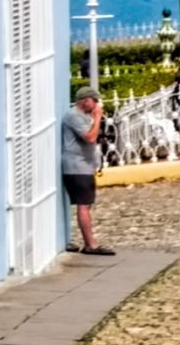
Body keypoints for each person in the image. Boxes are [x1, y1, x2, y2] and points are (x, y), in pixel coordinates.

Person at [61, 88, 109, 256]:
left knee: (86, 204)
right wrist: (97, 118)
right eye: (94, 101)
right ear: (86, 101)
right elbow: (90, 137)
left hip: (85, 166)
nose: (96, 105)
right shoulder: (74, 116)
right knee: (83, 205)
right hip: (77, 166)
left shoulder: (83, 117)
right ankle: (90, 244)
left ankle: (88, 242)